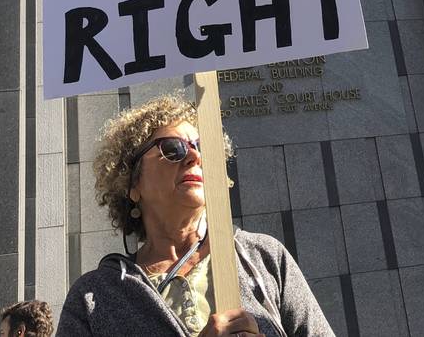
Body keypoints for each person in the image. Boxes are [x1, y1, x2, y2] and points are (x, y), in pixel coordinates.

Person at [57, 94, 334, 336]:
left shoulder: (264, 256)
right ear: (132, 183)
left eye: (202, 147)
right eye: (173, 149)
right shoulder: (94, 298)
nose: (194, 157)